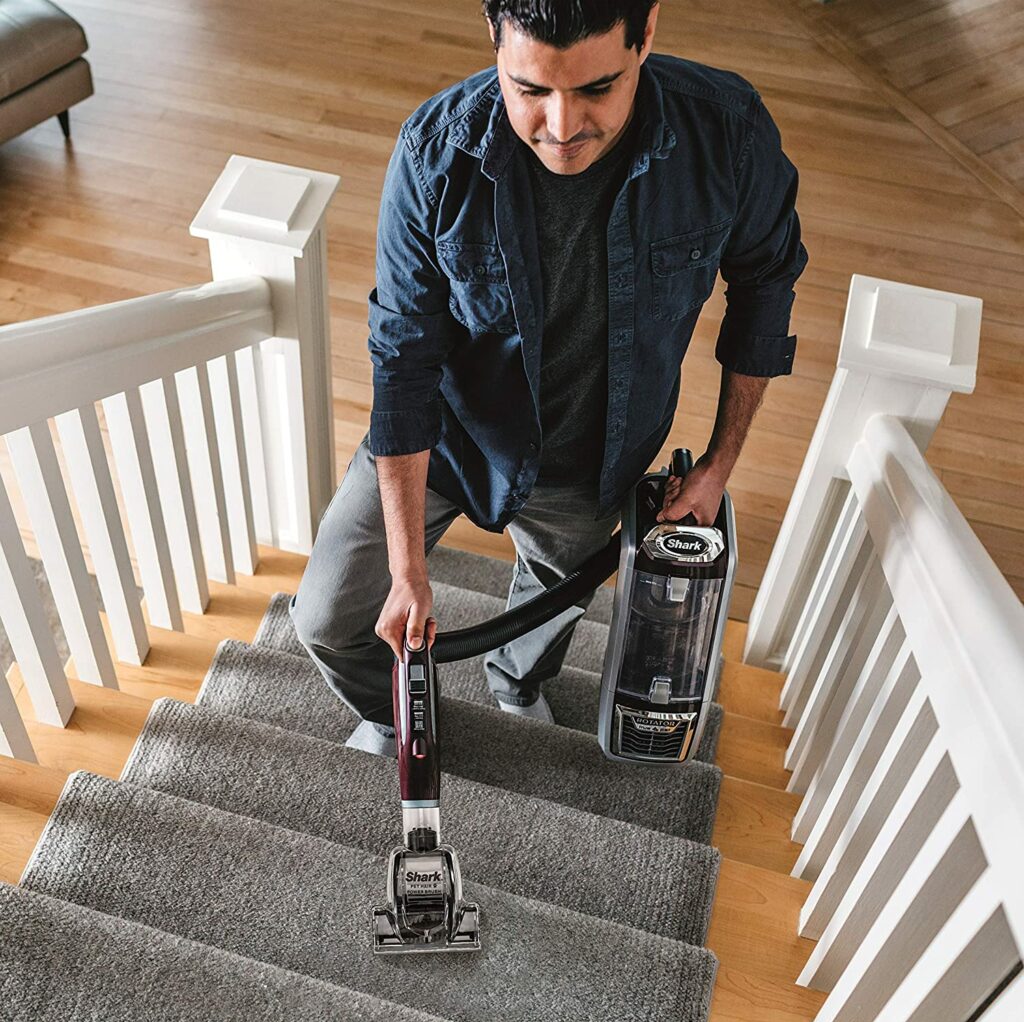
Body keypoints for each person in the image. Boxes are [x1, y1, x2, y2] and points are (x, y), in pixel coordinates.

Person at [290, 0, 809, 757]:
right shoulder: (434, 153)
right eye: (529, 90)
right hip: (445, 435)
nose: (562, 127)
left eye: (597, 88)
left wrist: (719, 466)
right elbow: (402, 361)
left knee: (550, 600)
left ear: (648, 34)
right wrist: (407, 570)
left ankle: (517, 686)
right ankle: (393, 710)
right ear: (493, 37)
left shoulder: (727, 133)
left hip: (599, 449)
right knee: (326, 619)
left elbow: (767, 286)